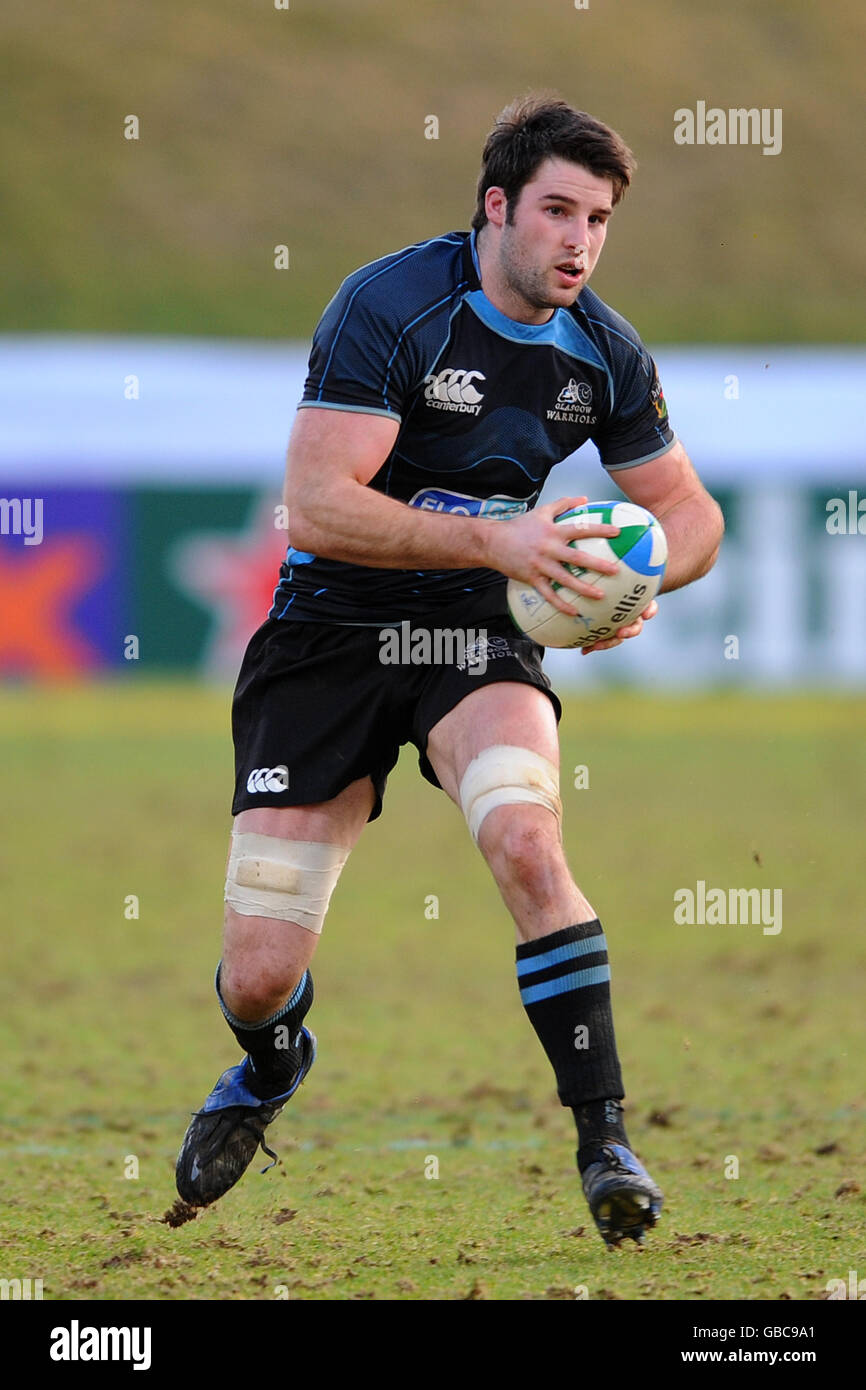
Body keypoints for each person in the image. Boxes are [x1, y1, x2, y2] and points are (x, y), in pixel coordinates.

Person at [175, 94, 723, 1246]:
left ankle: (604, 1140)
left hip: (475, 630)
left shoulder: (603, 351)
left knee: (526, 841)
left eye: (598, 220)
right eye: (557, 211)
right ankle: (272, 1063)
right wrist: (497, 540)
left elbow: (690, 514)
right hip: (330, 633)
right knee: (258, 974)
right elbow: (317, 507)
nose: (579, 241)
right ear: (495, 207)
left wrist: (637, 581)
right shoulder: (392, 306)